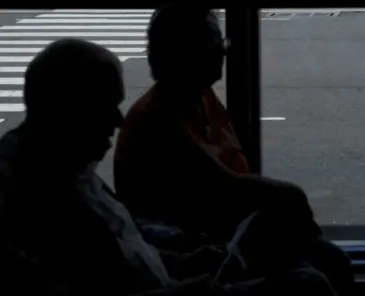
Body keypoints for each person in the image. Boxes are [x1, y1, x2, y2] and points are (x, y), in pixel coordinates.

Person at [0, 38, 335, 295]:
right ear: (67, 111)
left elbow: (127, 243)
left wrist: (183, 260)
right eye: (106, 107)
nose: (118, 121)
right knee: (309, 283)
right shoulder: (37, 197)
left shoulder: (69, 167)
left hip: (173, 269)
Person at [113, 7, 353, 295]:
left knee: (333, 262)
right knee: (313, 281)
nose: (223, 52)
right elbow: (224, 186)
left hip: (230, 234)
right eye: (215, 44)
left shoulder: (199, 96)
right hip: (206, 247)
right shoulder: (157, 120)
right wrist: (287, 197)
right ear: (186, 54)